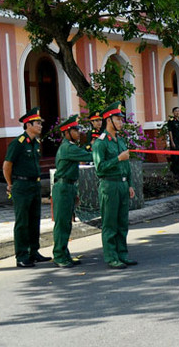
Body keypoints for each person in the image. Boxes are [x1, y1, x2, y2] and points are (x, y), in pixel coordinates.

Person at [3, 107, 49, 268]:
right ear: (28, 124)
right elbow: (7, 165)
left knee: (34, 219)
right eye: (37, 123)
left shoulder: (36, 143)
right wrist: (10, 184)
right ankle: (21, 255)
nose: (40, 126)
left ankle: (33, 252)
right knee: (22, 221)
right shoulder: (18, 143)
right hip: (21, 185)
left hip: (34, 184)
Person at [92, 101, 137, 269]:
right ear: (108, 120)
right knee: (110, 223)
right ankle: (111, 256)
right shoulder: (101, 142)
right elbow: (99, 168)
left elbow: (127, 166)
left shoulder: (120, 141)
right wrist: (118, 158)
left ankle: (122, 254)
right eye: (118, 119)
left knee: (122, 222)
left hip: (123, 185)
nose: (121, 122)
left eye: (121, 119)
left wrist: (130, 184)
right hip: (109, 185)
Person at [51, 114, 93, 268]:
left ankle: (64, 253)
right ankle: (59, 255)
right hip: (63, 187)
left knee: (67, 223)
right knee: (62, 223)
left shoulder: (70, 146)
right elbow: (89, 156)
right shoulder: (68, 148)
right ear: (67, 132)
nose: (78, 133)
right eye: (75, 130)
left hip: (68, 186)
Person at [166, 106, 179, 179]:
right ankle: (175, 173)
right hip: (175, 141)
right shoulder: (171, 121)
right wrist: (172, 142)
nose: (177, 113)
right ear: (173, 112)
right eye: (176, 111)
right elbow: (170, 132)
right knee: (175, 158)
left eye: (178, 111)